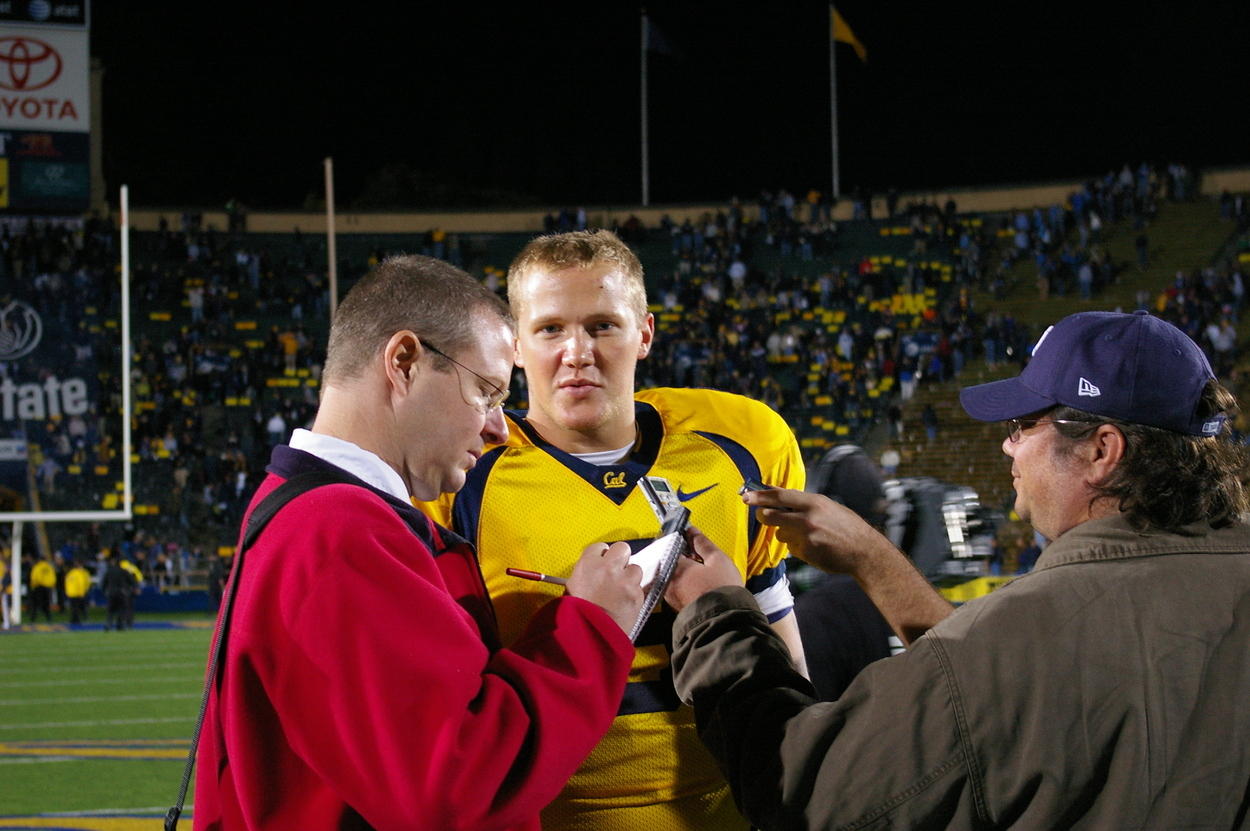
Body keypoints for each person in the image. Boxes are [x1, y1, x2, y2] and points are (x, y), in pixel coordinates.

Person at [664, 309, 1250, 828]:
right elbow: (1014, 690)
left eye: (1024, 425)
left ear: (1102, 450)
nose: (1008, 446)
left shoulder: (1026, 636)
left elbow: (802, 790)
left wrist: (715, 613)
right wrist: (873, 560)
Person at [193, 255, 644, 830]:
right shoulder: (338, 531)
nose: (498, 427)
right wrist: (591, 629)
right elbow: (453, 786)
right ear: (404, 362)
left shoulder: (314, 509)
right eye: (485, 392)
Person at [420, 230, 807, 830]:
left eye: (602, 325)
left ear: (644, 333)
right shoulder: (462, 477)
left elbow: (776, 640)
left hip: (723, 808)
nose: (577, 352)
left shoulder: (742, 446)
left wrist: (796, 789)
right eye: (550, 329)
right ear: (515, 345)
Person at [64, 558, 92, 624]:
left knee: (74, 607)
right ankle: (77, 620)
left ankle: (74, 619)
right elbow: (81, 584)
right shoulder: (80, 573)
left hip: (71, 592)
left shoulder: (71, 573)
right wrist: (82, 593)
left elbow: (67, 582)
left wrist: (68, 591)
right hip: (78, 592)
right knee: (78, 607)